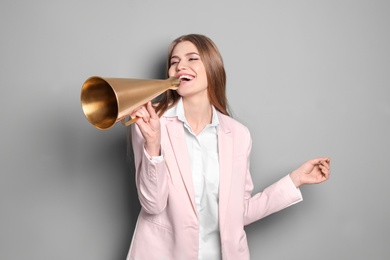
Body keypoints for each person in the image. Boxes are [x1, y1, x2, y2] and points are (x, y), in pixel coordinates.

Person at [125, 34, 331, 260]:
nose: (180, 66)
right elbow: (152, 205)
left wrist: (294, 180)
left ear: (212, 67)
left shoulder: (239, 134)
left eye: (192, 58)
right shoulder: (151, 123)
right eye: (174, 62)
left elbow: (238, 213)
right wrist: (153, 143)